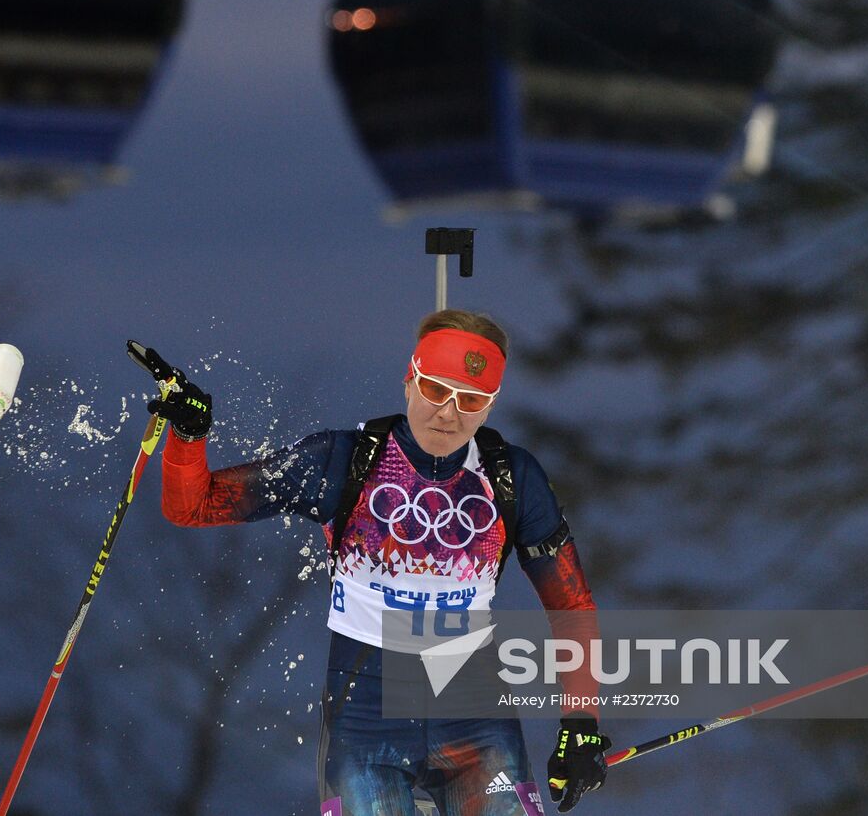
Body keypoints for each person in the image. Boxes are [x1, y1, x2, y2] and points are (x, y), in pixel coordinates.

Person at [150, 310, 610, 816]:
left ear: (489, 407)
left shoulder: (511, 477)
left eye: (471, 400)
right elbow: (192, 506)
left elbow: (571, 604)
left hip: (475, 718)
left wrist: (580, 726)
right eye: (436, 390)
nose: (449, 414)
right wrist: (190, 435)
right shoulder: (344, 461)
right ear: (410, 379)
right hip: (366, 720)